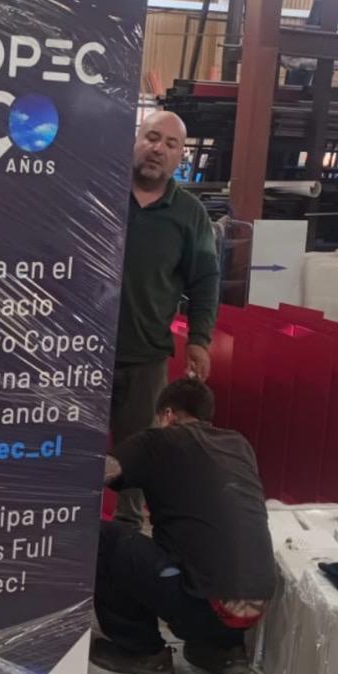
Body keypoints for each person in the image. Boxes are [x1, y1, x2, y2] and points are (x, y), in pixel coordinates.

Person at [93, 377, 275, 674]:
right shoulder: (239, 445)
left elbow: (100, 471)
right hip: (252, 610)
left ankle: (141, 650)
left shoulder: (160, 440)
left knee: (106, 538)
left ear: (167, 414)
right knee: (207, 553)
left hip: (201, 605)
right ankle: (224, 652)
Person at [113, 109, 220, 522]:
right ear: (136, 140)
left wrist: (199, 339)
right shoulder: (102, 192)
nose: (158, 149)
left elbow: (205, 280)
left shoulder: (189, 214)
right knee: (71, 446)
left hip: (146, 359)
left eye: (171, 144)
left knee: (138, 455)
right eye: (152, 137)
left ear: (180, 157)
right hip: (82, 353)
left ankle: (126, 534)